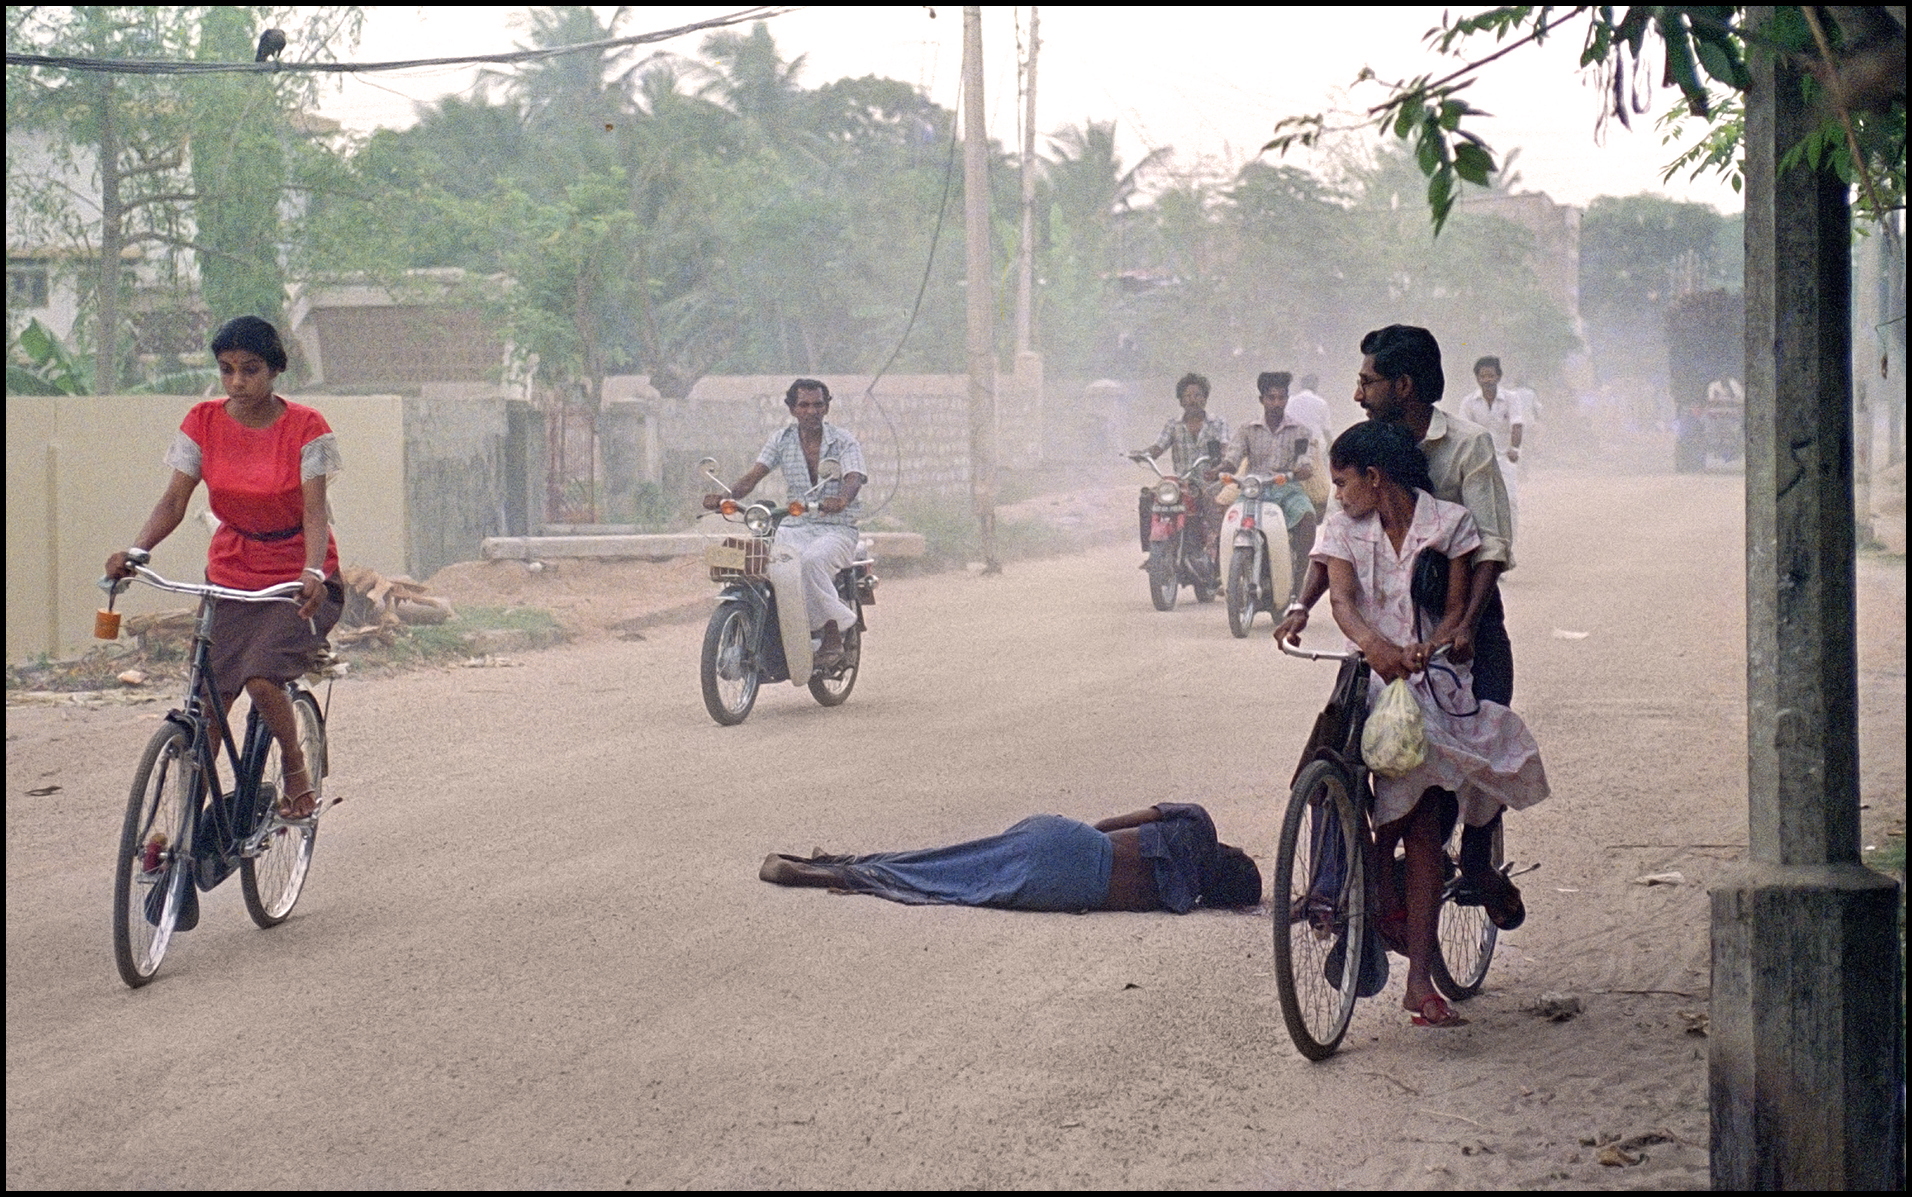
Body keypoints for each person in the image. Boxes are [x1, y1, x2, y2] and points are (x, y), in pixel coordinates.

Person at [1274, 324, 1524, 930]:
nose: (1358, 393)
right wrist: (1301, 604)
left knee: (1483, 744)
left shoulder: (1468, 447)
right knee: (1344, 748)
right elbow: (1332, 541)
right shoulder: (1361, 450)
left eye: (1368, 381)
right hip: (1384, 635)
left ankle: (1478, 860)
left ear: (1403, 385)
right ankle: (1348, 885)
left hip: (1459, 628)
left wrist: (1464, 623)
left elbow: (1490, 545)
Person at [1312, 420, 1549, 1027]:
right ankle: (1368, 905)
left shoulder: (1451, 526)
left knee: (1419, 825)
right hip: (1370, 683)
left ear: (1374, 476)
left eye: (1343, 482)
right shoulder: (1344, 526)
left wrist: (1431, 646)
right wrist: (1374, 647)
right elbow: (1340, 601)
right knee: (1336, 780)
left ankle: (1418, 976)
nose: (1337, 495)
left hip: (1432, 686)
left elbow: (1453, 615)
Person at [105, 316, 345, 821]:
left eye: (250, 370)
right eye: (227, 370)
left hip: (298, 580)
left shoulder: (306, 427)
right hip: (231, 574)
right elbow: (174, 500)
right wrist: (137, 550)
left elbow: (315, 512)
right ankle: (182, 839)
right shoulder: (203, 420)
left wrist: (313, 571)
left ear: (275, 370)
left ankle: (296, 770)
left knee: (260, 679)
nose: (237, 382)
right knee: (207, 707)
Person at [758, 803, 1262, 914]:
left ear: (1231, 852)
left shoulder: (1197, 825)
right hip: (1066, 893)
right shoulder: (1186, 901)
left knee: (950, 856)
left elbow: (1118, 824)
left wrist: (1078, 831)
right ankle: (849, 876)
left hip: (1077, 845)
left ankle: (838, 859)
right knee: (948, 886)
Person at [704, 379, 867, 669]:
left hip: (837, 529)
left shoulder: (844, 441)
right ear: (792, 409)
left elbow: (854, 477)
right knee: (769, 567)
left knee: (812, 562)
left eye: (818, 404)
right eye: (803, 405)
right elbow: (754, 476)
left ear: (827, 407)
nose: (811, 411)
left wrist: (842, 498)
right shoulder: (781, 440)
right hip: (795, 526)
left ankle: (832, 629)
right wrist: (725, 496)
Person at [1225, 372, 1319, 596]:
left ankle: (1298, 584)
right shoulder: (1247, 429)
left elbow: (1305, 459)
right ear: (1262, 400)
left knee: (1307, 519)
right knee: (1229, 524)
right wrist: (1221, 469)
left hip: (1287, 488)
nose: (1276, 403)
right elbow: (1233, 456)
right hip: (1254, 490)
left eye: (1281, 397)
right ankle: (1228, 576)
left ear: (1287, 399)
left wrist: (1302, 469)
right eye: (1271, 398)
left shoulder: (1300, 430)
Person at [1133, 373, 1230, 562]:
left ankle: (1215, 548)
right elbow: (1158, 447)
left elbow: (1226, 448)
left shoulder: (1218, 423)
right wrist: (1142, 454)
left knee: (1214, 501)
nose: (1192, 400)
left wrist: (1221, 462)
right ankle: (1153, 550)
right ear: (1180, 401)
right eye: (1187, 396)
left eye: (1197, 395)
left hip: (1210, 480)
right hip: (1182, 483)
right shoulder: (1173, 425)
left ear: (1205, 398)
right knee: (1149, 498)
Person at [1457, 356, 1527, 537]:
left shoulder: (1511, 398)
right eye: (1483, 376)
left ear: (1498, 377)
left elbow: (1517, 425)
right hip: (1478, 458)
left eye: (1491, 376)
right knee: (1478, 501)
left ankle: (1510, 540)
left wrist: (1515, 449)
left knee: (1509, 499)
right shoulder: (1469, 402)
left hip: (1505, 456)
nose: (1487, 380)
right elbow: (1464, 431)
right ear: (1478, 378)